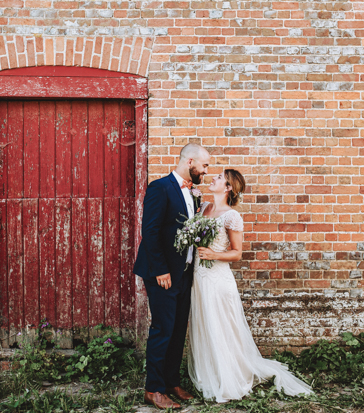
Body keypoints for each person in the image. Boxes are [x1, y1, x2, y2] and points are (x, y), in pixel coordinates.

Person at [188, 169, 314, 402]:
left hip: (217, 279)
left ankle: (230, 376)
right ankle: (211, 372)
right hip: (200, 278)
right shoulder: (203, 207)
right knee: (205, 323)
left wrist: (213, 254)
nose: (213, 178)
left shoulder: (232, 216)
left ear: (227, 188)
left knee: (223, 327)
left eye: (218, 177)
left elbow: (237, 253)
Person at [133, 143, 211, 409]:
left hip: (184, 272)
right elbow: (150, 232)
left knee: (178, 329)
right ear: (190, 162)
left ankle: (171, 381)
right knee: (163, 329)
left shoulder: (193, 193)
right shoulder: (160, 188)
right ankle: (153, 389)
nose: (206, 170)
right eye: (204, 165)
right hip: (162, 273)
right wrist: (161, 270)